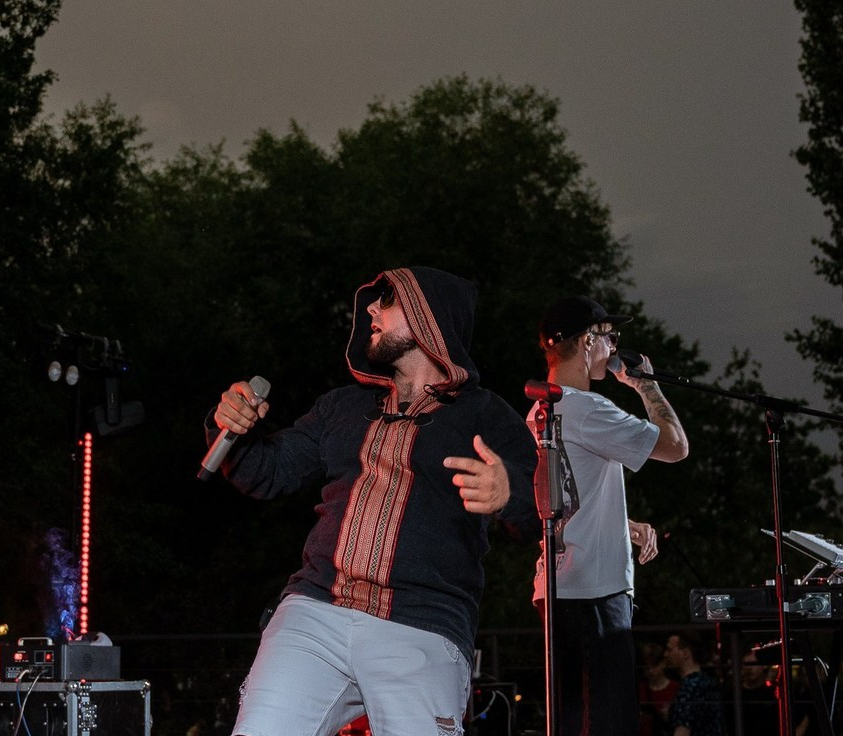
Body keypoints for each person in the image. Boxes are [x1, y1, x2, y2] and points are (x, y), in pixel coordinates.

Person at [210, 265, 538, 736]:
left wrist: (511, 492)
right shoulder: (341, 406)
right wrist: (232, 428)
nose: (369, 309)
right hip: (315, 612)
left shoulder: (487, 414)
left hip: (422, 625)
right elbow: (266, 473)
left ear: (430, 316)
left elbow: (545, 514)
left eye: (386, 300)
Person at [529, 294, 689, 736]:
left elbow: (563, 496)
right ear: (586, 342)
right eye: (608, 337)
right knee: (605, 723)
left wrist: (624, 525)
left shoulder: (541, 410)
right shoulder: (587, 409)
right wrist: (646, 384)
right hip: (595, 595)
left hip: (560, 588)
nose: (614, 348)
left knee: (574, 719)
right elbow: (676, 447)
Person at [662, 631, 723, 736]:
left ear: (685, 653)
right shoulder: (708, 682)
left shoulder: (689, 687)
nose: (666, 655)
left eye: (670, 650)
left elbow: (682, 731)